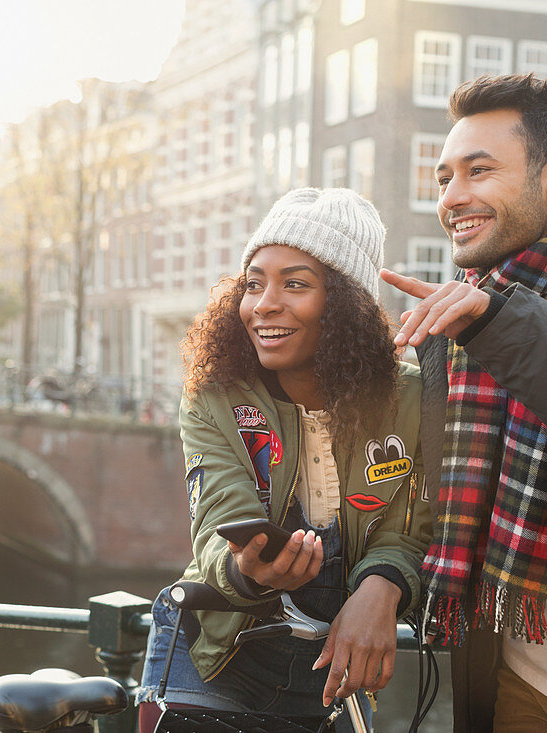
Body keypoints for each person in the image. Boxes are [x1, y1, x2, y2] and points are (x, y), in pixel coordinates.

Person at [136, 188, 432, 731]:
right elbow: (215, 516)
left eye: (294, 283)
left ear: (345, 304)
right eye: (253, 283)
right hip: (216, 653)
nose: (263, 304)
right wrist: (247, 569)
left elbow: (409, 527)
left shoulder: (410, 400)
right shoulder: (216, 394)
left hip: (334, 666)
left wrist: (382, 586)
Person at [380, 73, 547, 732]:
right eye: (445, 177)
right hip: (512, 675)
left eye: (478, 171)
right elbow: (416, 496)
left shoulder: (482, 315)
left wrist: (500, 322)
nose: (453, 197)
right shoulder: (460, 320)